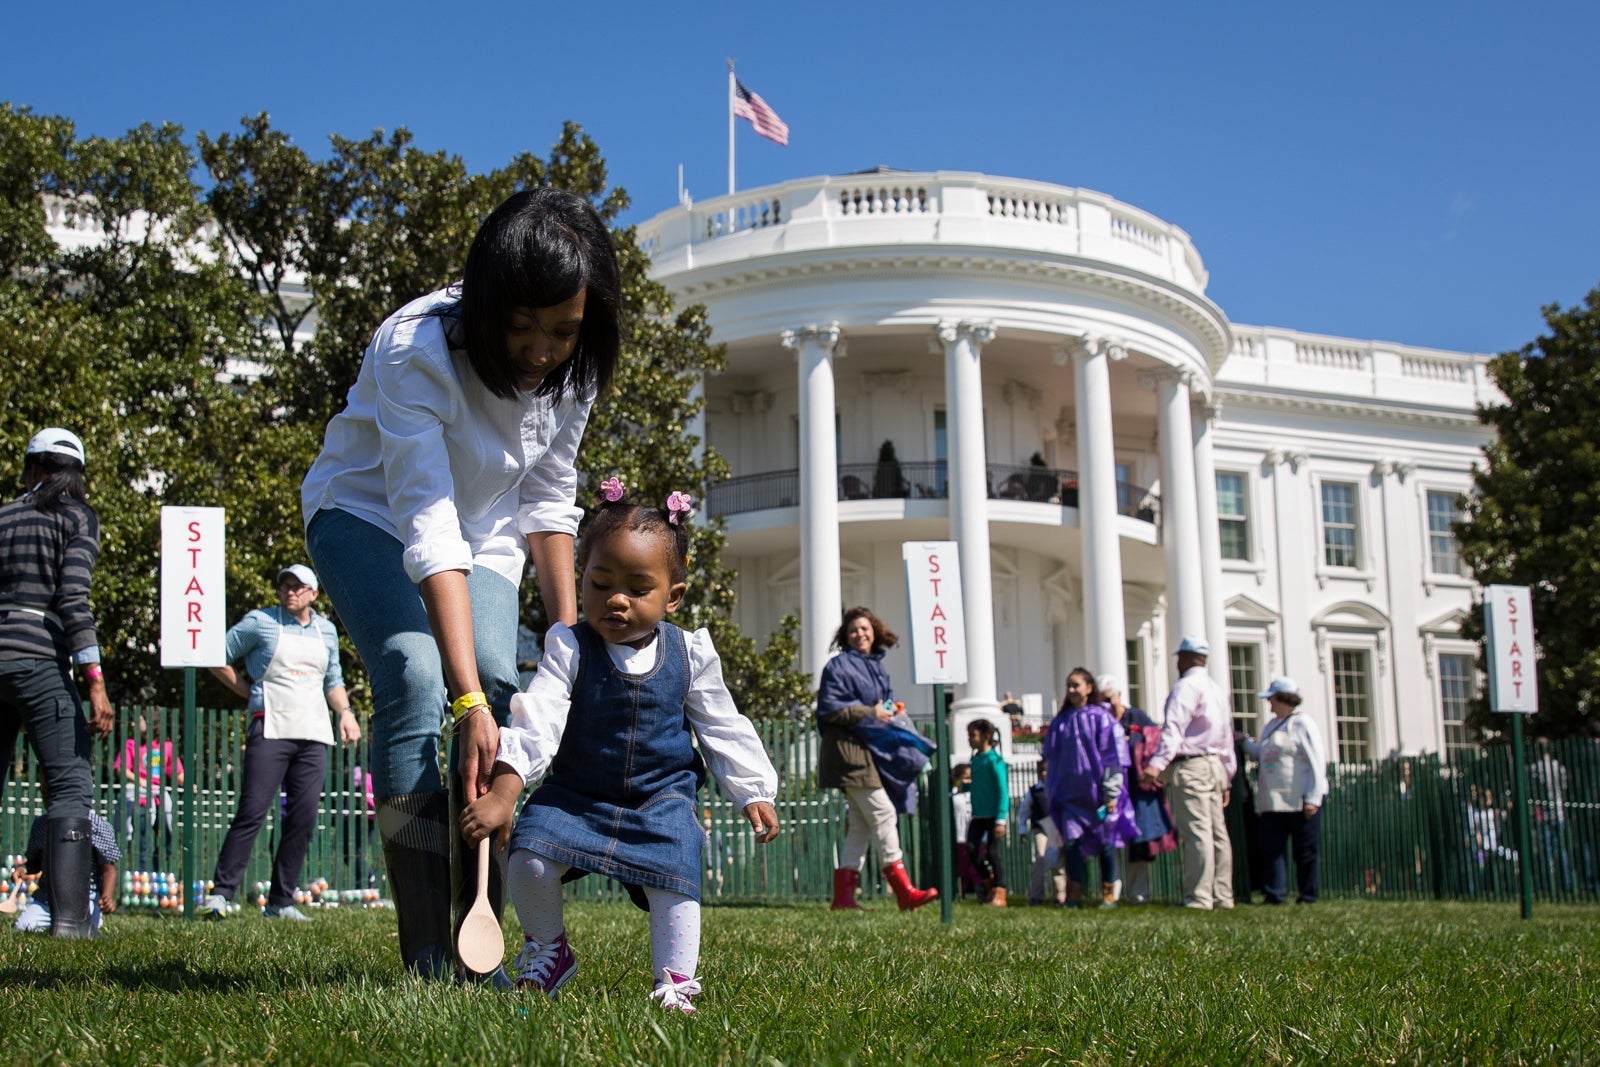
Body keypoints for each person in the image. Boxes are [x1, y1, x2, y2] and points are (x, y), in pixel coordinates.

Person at [300, 188, 622, 977]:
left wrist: (568, 644)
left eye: (563, 331)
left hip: (487, 531)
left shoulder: (575, 365)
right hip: (366, 511)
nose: (541, 350)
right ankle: (426, 951)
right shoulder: (415, 346)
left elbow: (547, 497)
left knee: (505, 690)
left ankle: (478, 936)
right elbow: (428, 520)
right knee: (418, 674)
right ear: (487, 302)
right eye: (522, 326)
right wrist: (463, 695)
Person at [460, 487, 780, 1013]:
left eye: (638, 588)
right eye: (601, 583)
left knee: (677, 870)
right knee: (528, 851)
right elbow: (537, 717)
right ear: (582, 576)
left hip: (660, 800)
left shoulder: (690, 653)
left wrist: (753, 791)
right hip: (577, 794)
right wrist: (504, 792)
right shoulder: (569, 646)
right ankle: (549, 951)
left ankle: (675, 982)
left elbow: (722, 726)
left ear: (673, 596)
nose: (616, 599)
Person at [0, 428, 115, 938]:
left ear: (31, 468)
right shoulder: (76, 518)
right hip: (39, 660)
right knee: (69, 783)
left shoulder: (4, 515)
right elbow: (72, 600)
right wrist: (94, 683)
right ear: (77, 475)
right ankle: (70, 922)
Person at [197, 565, 361, 921]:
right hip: (269, 726)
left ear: (313, 593)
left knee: (302, 819)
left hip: (314, 733)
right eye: (285, 585)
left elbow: (333, 679)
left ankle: (281, 902)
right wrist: (249, 692)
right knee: (252, 811)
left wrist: (346, 713)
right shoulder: (260, 622)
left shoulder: (327, 631)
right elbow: (215, 656)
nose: (290, 591)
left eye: (298, 586)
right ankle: (220, 895)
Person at [815, 606, 938, 912]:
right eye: (853, 630)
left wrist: (892, 709)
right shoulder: (838, 666)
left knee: (860, 826)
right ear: (845, 635)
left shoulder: (877, 668)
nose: (860, 634)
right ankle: (904, 891)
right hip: (848, 753)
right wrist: (872, 711)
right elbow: (830, 709)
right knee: (884, 814)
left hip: (869, 751)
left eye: (865, 629)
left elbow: (883, 704)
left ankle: (843, 898)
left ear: (875, 632)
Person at [1141, 636, 1236, 911]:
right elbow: (1226, 737)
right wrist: (1227, 776)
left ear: (1183, 658)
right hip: (1215, 765)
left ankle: (1199, 896)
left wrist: (1157, 763)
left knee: (1197, 832)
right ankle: (1222, 895)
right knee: (1218, 834)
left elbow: (1174, 729)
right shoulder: (1215, 690)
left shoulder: (1185, 687)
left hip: (1192, 766)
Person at [1044, 668, 1138, 908]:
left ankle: (1108, 894)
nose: (1071, 690)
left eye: (1076, 685)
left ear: (1089, 687)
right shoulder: (1061, 722)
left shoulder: (1101, 719)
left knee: (1105, 844)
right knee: (1072, 844)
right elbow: (1052, 760)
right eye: (1069, 685)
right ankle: (1074, 895)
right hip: (1070, 797)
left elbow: (1113, 757)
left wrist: (1110, 793)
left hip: (1097, 796)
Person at [1236, 677, 1328, 905]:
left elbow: (1316, 761)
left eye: (1272, 699)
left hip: (1299, 798)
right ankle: (1275, 893)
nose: (1269, 704)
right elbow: (1261, 753)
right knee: (1272, 848)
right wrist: (1245, 741)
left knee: (1304, 850)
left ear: (1284, 698)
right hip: (1273, 800)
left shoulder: (1303, 724)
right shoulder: (1271, 726)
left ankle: (1308, 895)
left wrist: (1313, 798)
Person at [1098, 674, 1175, 904]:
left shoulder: (1137, 718)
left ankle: (1138, 894)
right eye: (1100, 700)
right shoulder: (1099, 722)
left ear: (1119, 695)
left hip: (1138, 790)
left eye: (1108, 699)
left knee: (1139, 842)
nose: (1105, 705)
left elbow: (1155, 745)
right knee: (1110, 841)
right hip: (1111, 791)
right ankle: (1112, 893)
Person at [14, 780, 119, 934]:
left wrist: (107, 896)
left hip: (85, 900)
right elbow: (34, 864)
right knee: (22, 927)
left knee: (80, 933)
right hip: (47, 899)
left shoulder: (97, 825)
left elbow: (108, 869)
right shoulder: (40, 825)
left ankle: (94, 916)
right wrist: (23, 870)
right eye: (46, 797)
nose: (50, 802)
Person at [115, 713, 184, 871]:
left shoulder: (166, 746)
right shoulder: (131, 744)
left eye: (137, 721)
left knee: (168, 837)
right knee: (143, 839)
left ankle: (157, 872)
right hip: (139, 797)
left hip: (159, 797)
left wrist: (189, 784)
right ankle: (142, 874)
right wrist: (140, 781)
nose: (133, 724)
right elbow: (122, 769)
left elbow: (177, 773)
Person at [967, 718, 1011, 907]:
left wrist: (1001, 818)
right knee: (971, 849)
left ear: (986, 736)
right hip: (978, 814)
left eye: (973, 735)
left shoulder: (995, 761)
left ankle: (1000, 890)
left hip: (993, 815)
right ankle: (988, 882)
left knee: (993, 852)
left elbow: (1003, 791)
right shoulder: (975, 760)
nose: (970, 739)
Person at [1024, 760, 1065, 906]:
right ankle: (1036, 895)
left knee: (1058, 863)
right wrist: (1022, 829)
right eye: (1041, 770)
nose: (1044, 773)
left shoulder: (1059, 790)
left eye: (1046, 770)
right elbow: (1024, 810)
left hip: (1057, 830)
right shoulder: (1035, 791)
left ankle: (1060, 895)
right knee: (1040, 858)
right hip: (1041, 829)